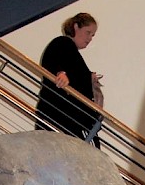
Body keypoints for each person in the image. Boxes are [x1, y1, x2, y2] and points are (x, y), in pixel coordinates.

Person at [35, 12, 104, 144]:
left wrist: (89, 77)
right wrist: (60, 73)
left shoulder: (70, 50)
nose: (90, 38)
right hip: (61, 116)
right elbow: (52, 60)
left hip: (65, 118)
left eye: (92, 35)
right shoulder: (63, 43)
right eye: (88, 32)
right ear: (76, 27)